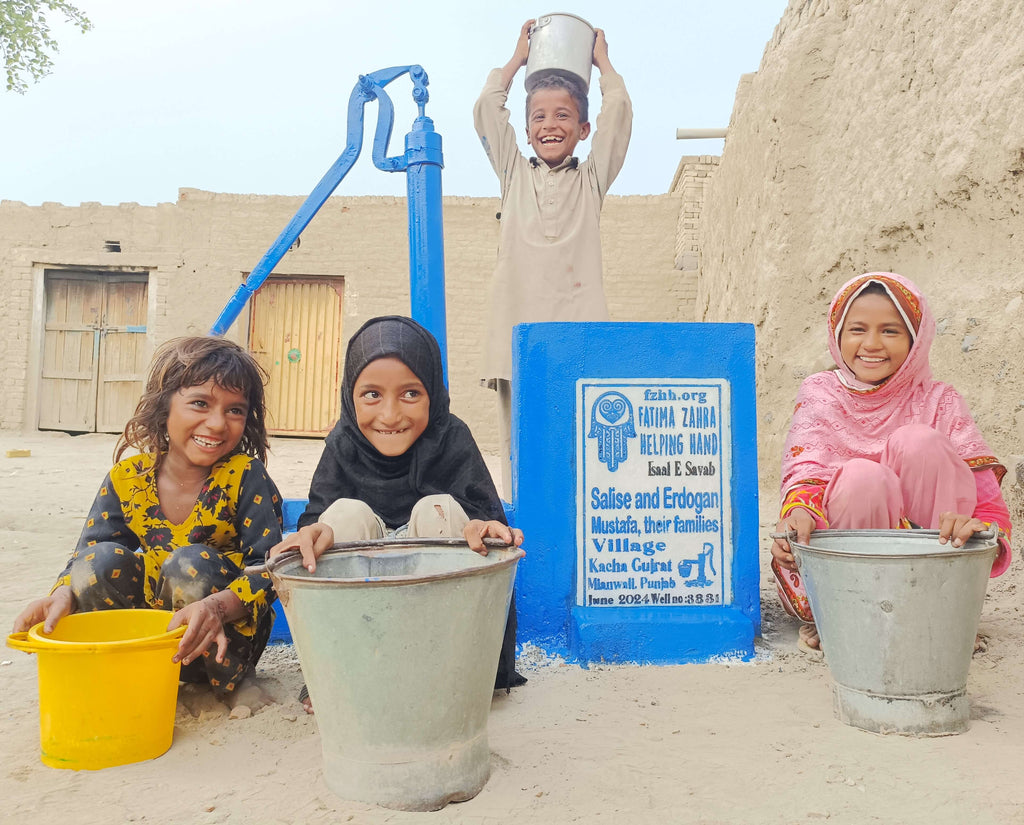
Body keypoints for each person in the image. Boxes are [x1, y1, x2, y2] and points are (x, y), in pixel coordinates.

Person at [270, 316, 525, 713]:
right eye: (371, 394)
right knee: (343, 516)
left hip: (441, 632)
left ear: (433, 395)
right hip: (367, 624)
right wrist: (312, 534)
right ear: (349, 395)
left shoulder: (451, 438)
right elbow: (317, 517)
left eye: (410, 394)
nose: (389, 415)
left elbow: (484, 518)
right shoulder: (343, 444)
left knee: (436, 508)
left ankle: (447, 677)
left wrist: (480, 527)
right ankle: (345, 673)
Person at [13, 336, 283, 702]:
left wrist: (216, 606)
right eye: (200, 403)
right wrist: (64, 593)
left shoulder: (245, 475)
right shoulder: (128, 479)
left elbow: (270, 569)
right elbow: (87, 553)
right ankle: (126, 670)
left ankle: (234, 682)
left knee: (188, 563)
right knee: (100, 560)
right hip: (157, 636)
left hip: (226, 638)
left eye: (235, 410)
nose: (218, 424)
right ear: (163, 407)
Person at [771, 272, 1012, 653]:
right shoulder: (822, 392)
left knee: (919, 443)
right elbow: (807, 474)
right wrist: (798, 517)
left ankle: (935, 611)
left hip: (928, 570)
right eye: (857, 329)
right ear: (837, 333)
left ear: (916, 339)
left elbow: (988, 509)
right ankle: (846, 613)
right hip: (840, 558)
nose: (870, 344)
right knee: (864, 478)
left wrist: (977, 529)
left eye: (890, 331)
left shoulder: (939, 400)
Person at [474, 19, 632, 492]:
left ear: (582, 129)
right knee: (518, 447)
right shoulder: (513, 176)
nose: (550, 125)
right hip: (516, 335)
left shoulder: (591, 182)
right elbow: (486, 108)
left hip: (576, 336)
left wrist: (602, 63)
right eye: (539, 117)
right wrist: (518, 58)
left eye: (563, 116)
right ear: (525, 130)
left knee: (577, 447)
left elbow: (619, 112)